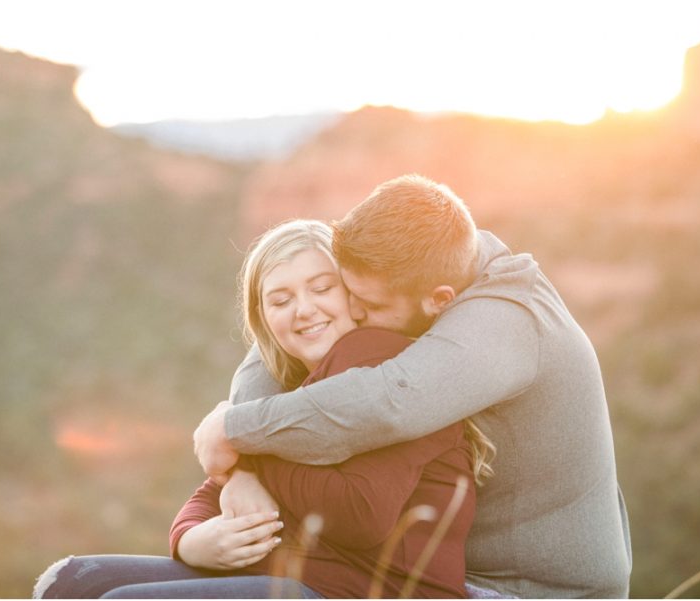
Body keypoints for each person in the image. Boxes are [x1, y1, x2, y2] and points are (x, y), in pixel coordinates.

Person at [194, 174, 633, 598]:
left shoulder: (505, 320)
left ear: (438, 300)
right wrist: (242, 469)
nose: (355, 314)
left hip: (528, 591)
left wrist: (236, 430)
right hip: (439, 573)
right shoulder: (425, 260)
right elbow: (266, 355)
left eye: (368, 305)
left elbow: (386, 403)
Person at [34, 219, 492, 599]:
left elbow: (362, 514)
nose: (304, 310)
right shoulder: (289, 387)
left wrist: (247, 455)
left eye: (321, 287)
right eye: (281, 299)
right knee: (71, 582)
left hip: (370, 592)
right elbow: (207, 496)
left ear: (353, 295)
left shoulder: (379, 358)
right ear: (264, 319)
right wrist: (194, 542)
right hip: (295, 579)